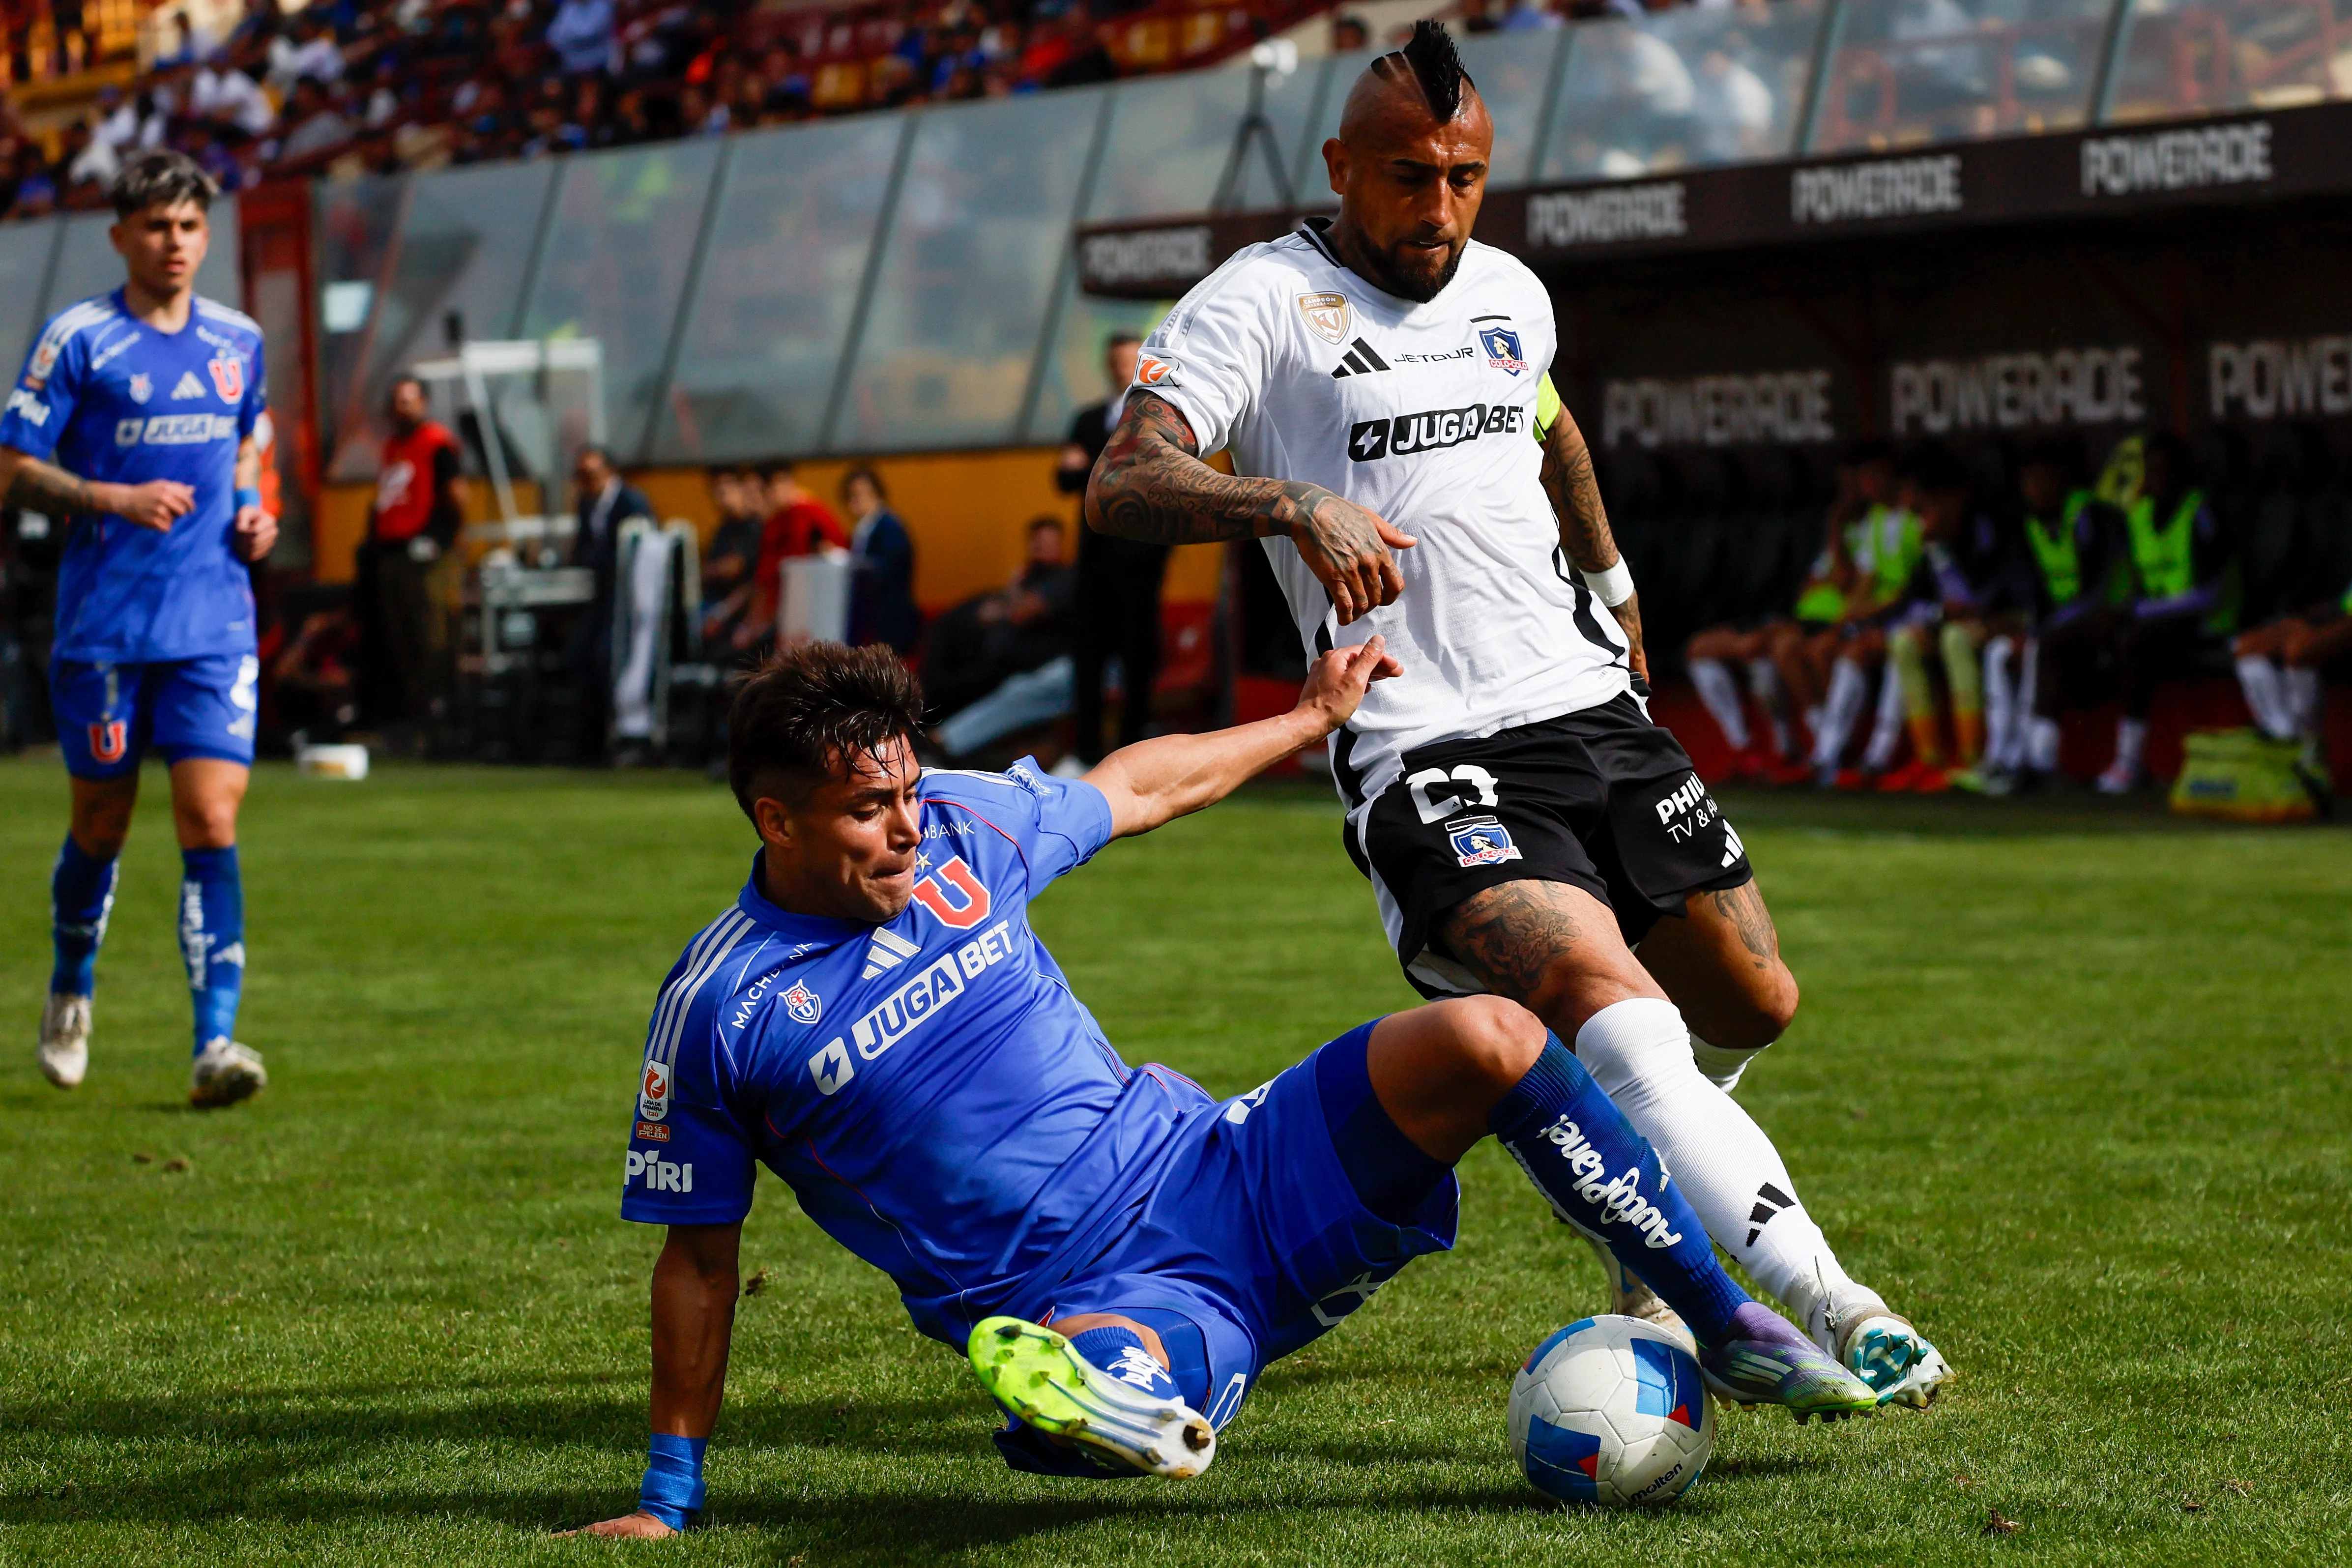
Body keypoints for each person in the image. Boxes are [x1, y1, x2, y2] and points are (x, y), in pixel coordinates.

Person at [1083, 23, 1947, 1405]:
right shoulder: (1259, 302)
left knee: (1754, 1001)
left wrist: (1612, 580)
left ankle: (1636, 1170)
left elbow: (1547, 426)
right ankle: (1832, 1309)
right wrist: (1290, 503)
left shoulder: (1508, 290)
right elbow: (1125, 478)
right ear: (1340, 165)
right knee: (1617, 1010)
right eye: (1409, 176)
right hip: (1425, 740)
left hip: (1587, 702)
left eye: (1466, 178)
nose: (1440, 207)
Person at [560, 640, 1875, 1537]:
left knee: (1489, 1036)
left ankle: (1727, 1320)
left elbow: (1135, 786)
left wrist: (1308, 720)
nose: (905, 826)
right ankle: (1097, 1396)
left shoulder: (960, 822)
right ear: (775, 819)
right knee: (1127, 1363)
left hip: (1219, 1160)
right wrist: (670, 1492)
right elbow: (699, 1258)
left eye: (906, 790)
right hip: (1095, 1284)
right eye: (865, 809)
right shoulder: (724, 1008)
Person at [2, 150, 275, 1105]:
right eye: (157, 226)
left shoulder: (239, 340)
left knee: (211, 818)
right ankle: (72, 983)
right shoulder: (79, 340)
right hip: (107, 628)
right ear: (121, 235)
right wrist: (111, 497)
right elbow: (12, 468)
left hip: (214, 621)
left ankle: (216, 1044)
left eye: (190, 226)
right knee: (101, 825)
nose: (175, 243)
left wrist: (256, 510)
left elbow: (251, 446)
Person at [2097, 433, 2236, 794]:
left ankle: (2128, 760)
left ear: (2183, 472)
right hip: (2159, 620)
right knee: (2104, 632)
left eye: (2166, 469)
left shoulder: (2202, 510)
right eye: (2152, 470)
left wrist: (2144, 611)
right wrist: (2130, 609)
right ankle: (2040, 758)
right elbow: (2135, 583)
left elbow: (2210, 593)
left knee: (2135, 641)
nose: (2158, 478)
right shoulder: (2139, 514)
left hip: (2207, 622)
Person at [1057, 331, 1169, 766]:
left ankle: (1131, 752)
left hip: (1141, 562)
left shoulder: (1161, 416)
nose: (1121, 369)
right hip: (1093, 562)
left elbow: (1160, 477)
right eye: (1115, 361)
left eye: (1128, 360)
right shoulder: (1088, 419)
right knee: (1086, 659)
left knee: (1137, 660)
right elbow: (1063, 478)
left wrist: (1091, 466)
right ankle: (1086, 752)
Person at [2000, 438, 2128, 787]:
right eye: (2026, 481)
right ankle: (2005, 754)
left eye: (2039, 479)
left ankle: (2039, 759)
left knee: (2044, 645)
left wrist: (2045, 627)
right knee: (2004, 651)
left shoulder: (2087, 513)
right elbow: (2032, 591)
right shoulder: (2030, 522)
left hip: (2111, 615)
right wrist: (2033, 625)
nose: (2032, 489)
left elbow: (2095, 589)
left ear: (2059, 478)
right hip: (2064, 624)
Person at [356, 373, 463, 734]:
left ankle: (441, 716)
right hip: (393, 553)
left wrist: (443, 538)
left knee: (431, 635)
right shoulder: (393, 447)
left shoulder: (436, 444)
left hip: (426, 554)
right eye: (396, 402)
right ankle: (413, 716)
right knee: (399, 638)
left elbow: (456, 496)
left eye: (408, 401)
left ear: (423, 403)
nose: (401, 409)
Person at [921, 516, 1077, 758]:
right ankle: (930, 731)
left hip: (1028, 664)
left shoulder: (1065, 578)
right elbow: (995, 614)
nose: (1042, 549)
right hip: (997, 656)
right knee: (950, 633)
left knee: (991, 684)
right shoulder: (1029, 576)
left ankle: (941, 742)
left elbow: (1022, 612)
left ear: (1060, 544)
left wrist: (1011, 595)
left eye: (1048, 543)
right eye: (1037, 543)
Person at [567, 443, 653, 763]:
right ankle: (588, 740)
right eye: (581, 475)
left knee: (608, 657)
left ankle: (616, 735)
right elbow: (584, 547)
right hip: (600, 598)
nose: (586, 482)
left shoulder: (631, 502)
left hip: (627, 599)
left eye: (591, 474)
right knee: (578, 656)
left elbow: (638, 554)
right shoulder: (586, 504)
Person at [737, 460, 847, 653]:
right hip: (783, 614)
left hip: (813, 614)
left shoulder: (812, 516)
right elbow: (765, 577)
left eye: (766, 492)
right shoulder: (776, 522)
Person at [840, 467, 919, 654]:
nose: (855, 501)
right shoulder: (863, 529)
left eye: (860, 494)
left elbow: (888, 569)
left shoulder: (890, 528)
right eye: (851, 495)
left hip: (889, 618)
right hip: (872, 617)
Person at [697, 464, 764, 657]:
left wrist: (722, 612)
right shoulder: (724, 529)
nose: (721, 498)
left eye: (725, 490)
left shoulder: (755, 527)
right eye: (715, 492)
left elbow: (737, 569)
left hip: (738, 617)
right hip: (716, 610)